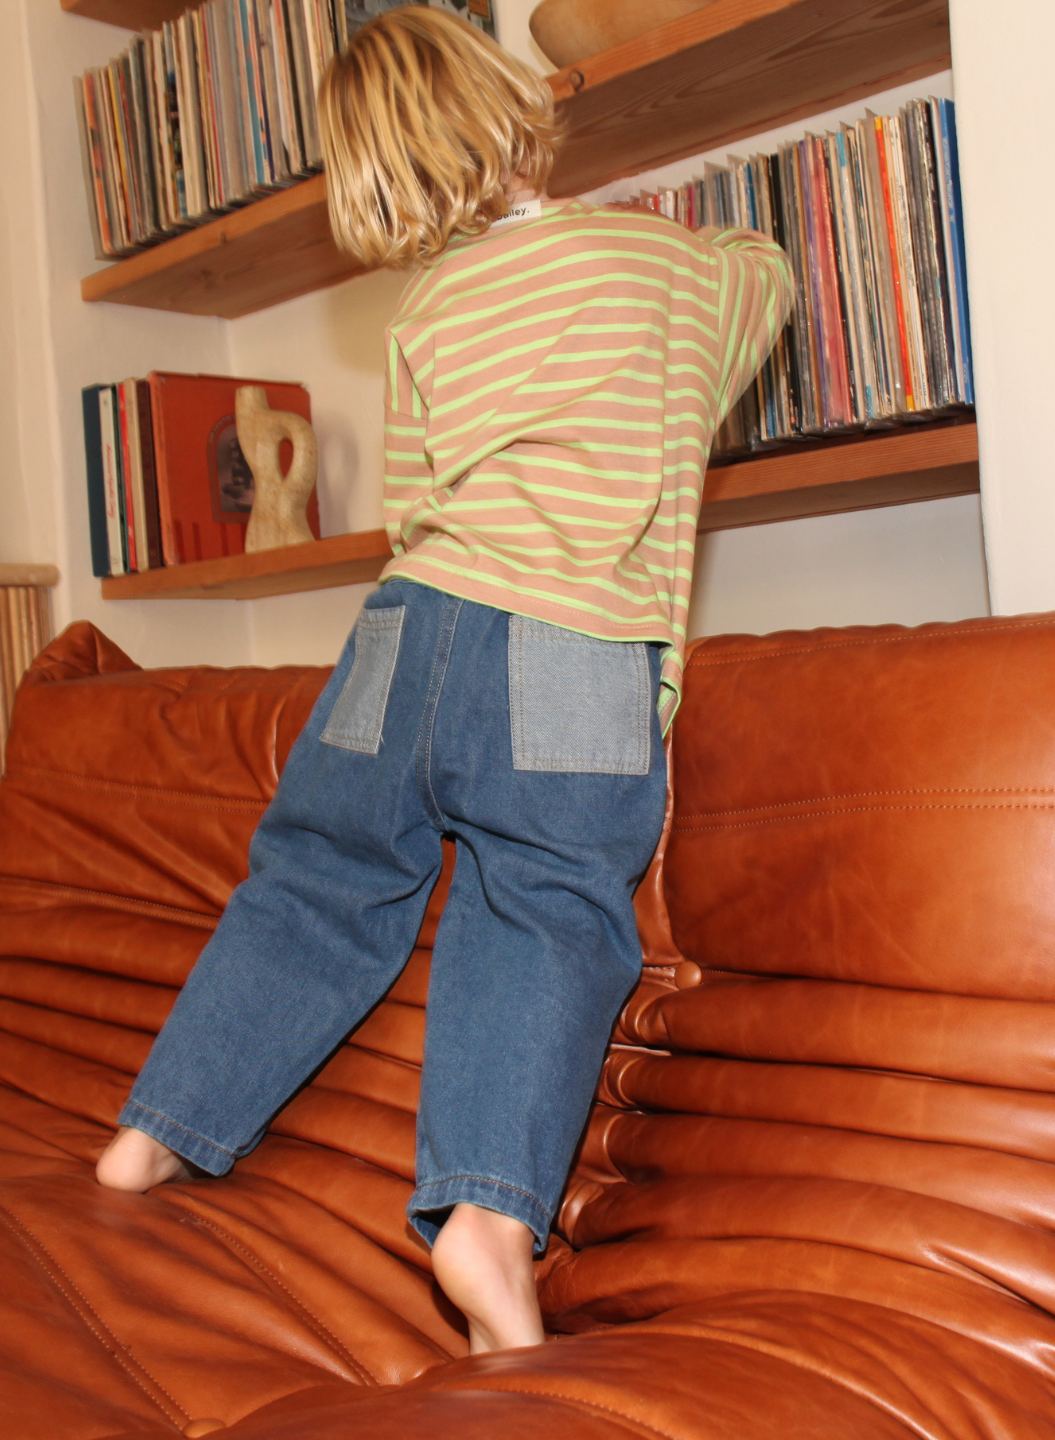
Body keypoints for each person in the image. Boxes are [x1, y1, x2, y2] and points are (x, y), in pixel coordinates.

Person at [96, 6, 794, 1355]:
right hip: (565, 642)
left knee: (308, 885)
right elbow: (765, 281)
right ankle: (482, 1214)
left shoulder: (425, 309)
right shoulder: (663, 268)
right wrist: (717, 245)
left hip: (403, 638)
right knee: (544, 907)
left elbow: (421, 510)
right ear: (513, 103)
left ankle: (154, 1131)